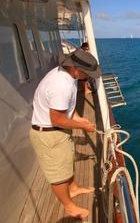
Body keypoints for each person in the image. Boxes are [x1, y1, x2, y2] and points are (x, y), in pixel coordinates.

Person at [29, 49, 101, 219]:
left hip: (58, 132)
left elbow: (67, 108)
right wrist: (83, 127)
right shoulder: (61, 85)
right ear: (76, 69)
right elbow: (57, 119)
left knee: (67, 161)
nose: (89, 76)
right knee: (59, 175)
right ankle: (69, 207)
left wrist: (79, 119)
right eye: (88, 73)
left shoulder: (67, 76)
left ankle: (73, 188)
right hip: (49, 135)